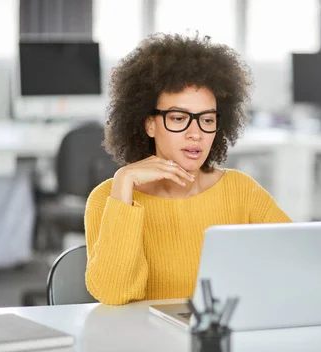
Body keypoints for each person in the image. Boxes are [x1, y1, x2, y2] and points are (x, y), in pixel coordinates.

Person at [85, 33, 291, 305]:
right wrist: (123, 183)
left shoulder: (241, 191)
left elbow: (294, 266)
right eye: (179, 118)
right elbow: (114, 293)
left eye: (207, 120)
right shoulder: (109, 199)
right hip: (143, 343)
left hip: (222, 340)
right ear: (149, 124)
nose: (196, 134)